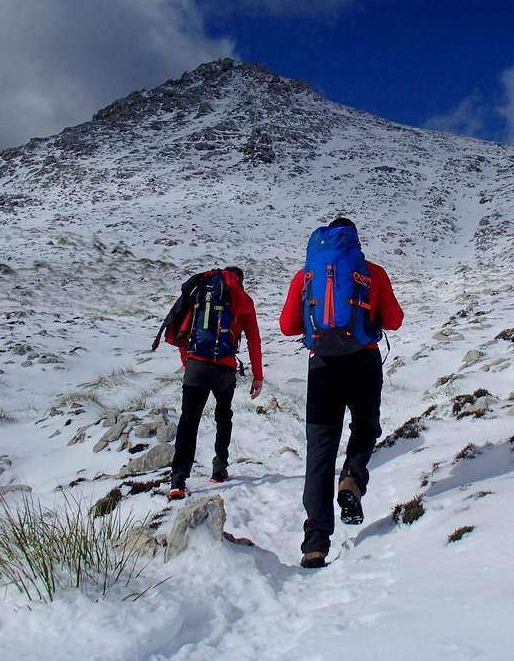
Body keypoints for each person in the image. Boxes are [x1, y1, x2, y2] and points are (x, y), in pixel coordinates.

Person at [279, 218, 403, 568]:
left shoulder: (307, 275)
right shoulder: (372, 272)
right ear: (355, 241)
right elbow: (394, 320)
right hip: (364, 362)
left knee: (320, 452)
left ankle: (315, 544)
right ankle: (352, 478)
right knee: (365, 427)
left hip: (322, 368)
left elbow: (287, 326)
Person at [168, 266, 264, 499]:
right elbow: (253, 340)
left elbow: (185, 326)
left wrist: (187, 359)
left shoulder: (203, 290)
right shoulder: (244, 300)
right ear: (240, 280)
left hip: (196, 365)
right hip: (225, 369)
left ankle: (178, 480)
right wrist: (258, 375)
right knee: (223, 416)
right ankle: (219, 470)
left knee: (189, 420)